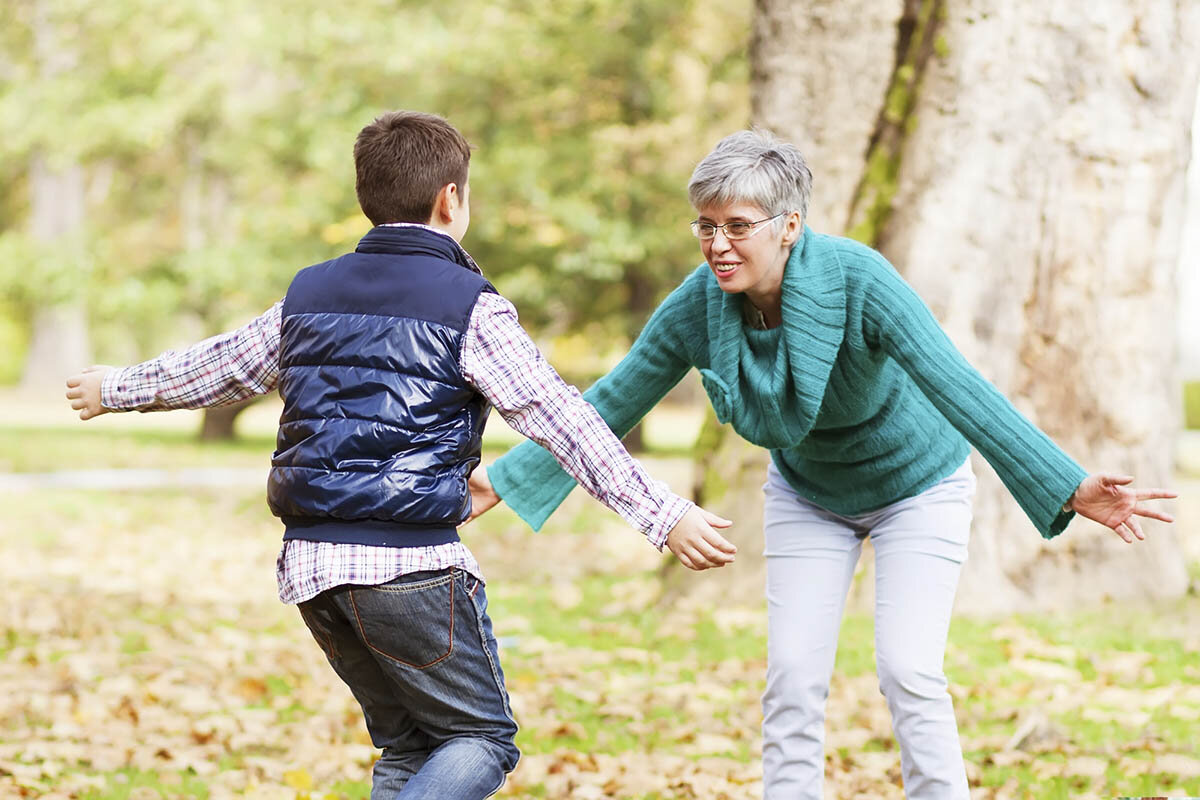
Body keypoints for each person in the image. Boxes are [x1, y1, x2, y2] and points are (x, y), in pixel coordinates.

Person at [468, 129, 1177, 799]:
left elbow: (958, 387)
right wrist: (508, 475)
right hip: (810, 494)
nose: (718, 244)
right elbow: (615, 398)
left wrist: (1067, 483)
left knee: (909, 670)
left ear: (790, 224)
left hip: (918, 486)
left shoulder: (859, 279)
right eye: (706, 226)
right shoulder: (700, 305)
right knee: (794, 677)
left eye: (738, 225)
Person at [64, 110, 738, 800]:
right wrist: (663, 515)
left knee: (412, 746)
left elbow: (220, 367)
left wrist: (114, 387)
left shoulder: (308, 293)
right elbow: (564, 420)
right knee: (481, 740)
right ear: (452, 198)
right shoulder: (468, 307)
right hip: (409, 568)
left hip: (313, 569)